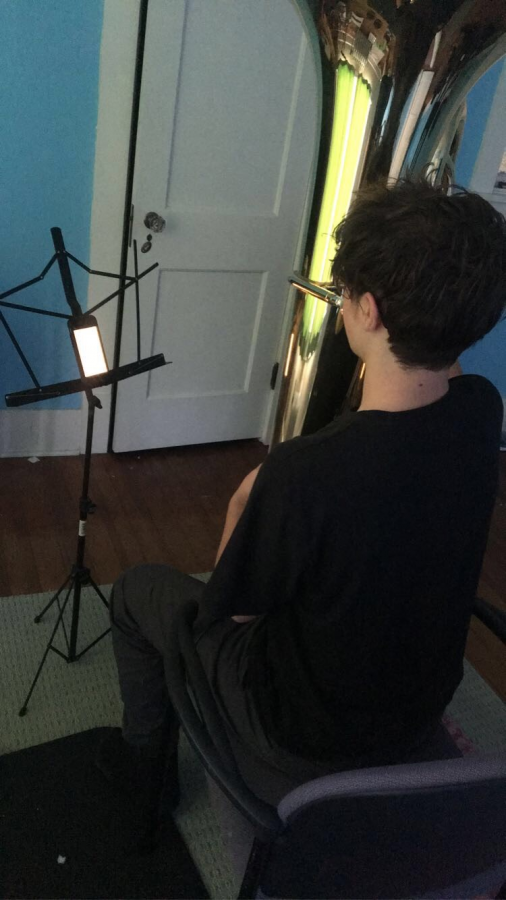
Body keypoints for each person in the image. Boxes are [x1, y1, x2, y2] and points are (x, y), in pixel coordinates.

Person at [97, 179, 505, 849]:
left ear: (368, 311)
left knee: (137, 589)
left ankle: (147, 771)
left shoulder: (303, 476)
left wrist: (243, 500)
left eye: (346, 295)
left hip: (299, 741)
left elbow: (232, 612)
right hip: (413, 711)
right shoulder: (484, 409)